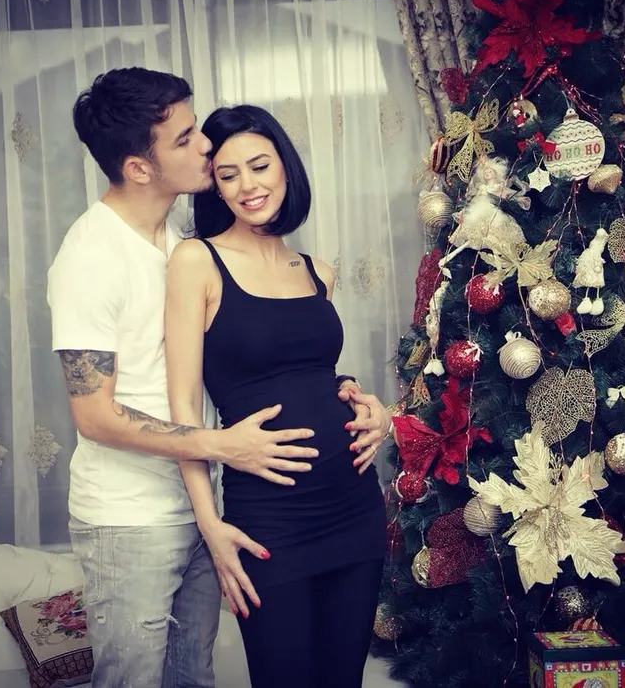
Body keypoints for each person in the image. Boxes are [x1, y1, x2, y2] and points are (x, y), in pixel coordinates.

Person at [47, 68, 388, 688]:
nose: (205, 146)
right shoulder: (94, 255)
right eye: (186, 139)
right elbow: (93, 414)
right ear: (139, 167)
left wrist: (362, 402)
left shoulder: (177, 235)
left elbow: (276, 358)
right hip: (134, 513)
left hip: (241, 503)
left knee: (192, 676)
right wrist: (222, 447)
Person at [165, 104, 392, 688]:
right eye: (228, 174)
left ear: (286, 168)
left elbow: (313, 373)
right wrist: (210, 524)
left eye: (260, 166)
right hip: (269, 520)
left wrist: (368, 406)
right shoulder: (197, 260)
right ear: (215, 185)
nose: (247, 185)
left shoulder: (317, 271)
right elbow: (184, 407)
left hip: (355, 508)